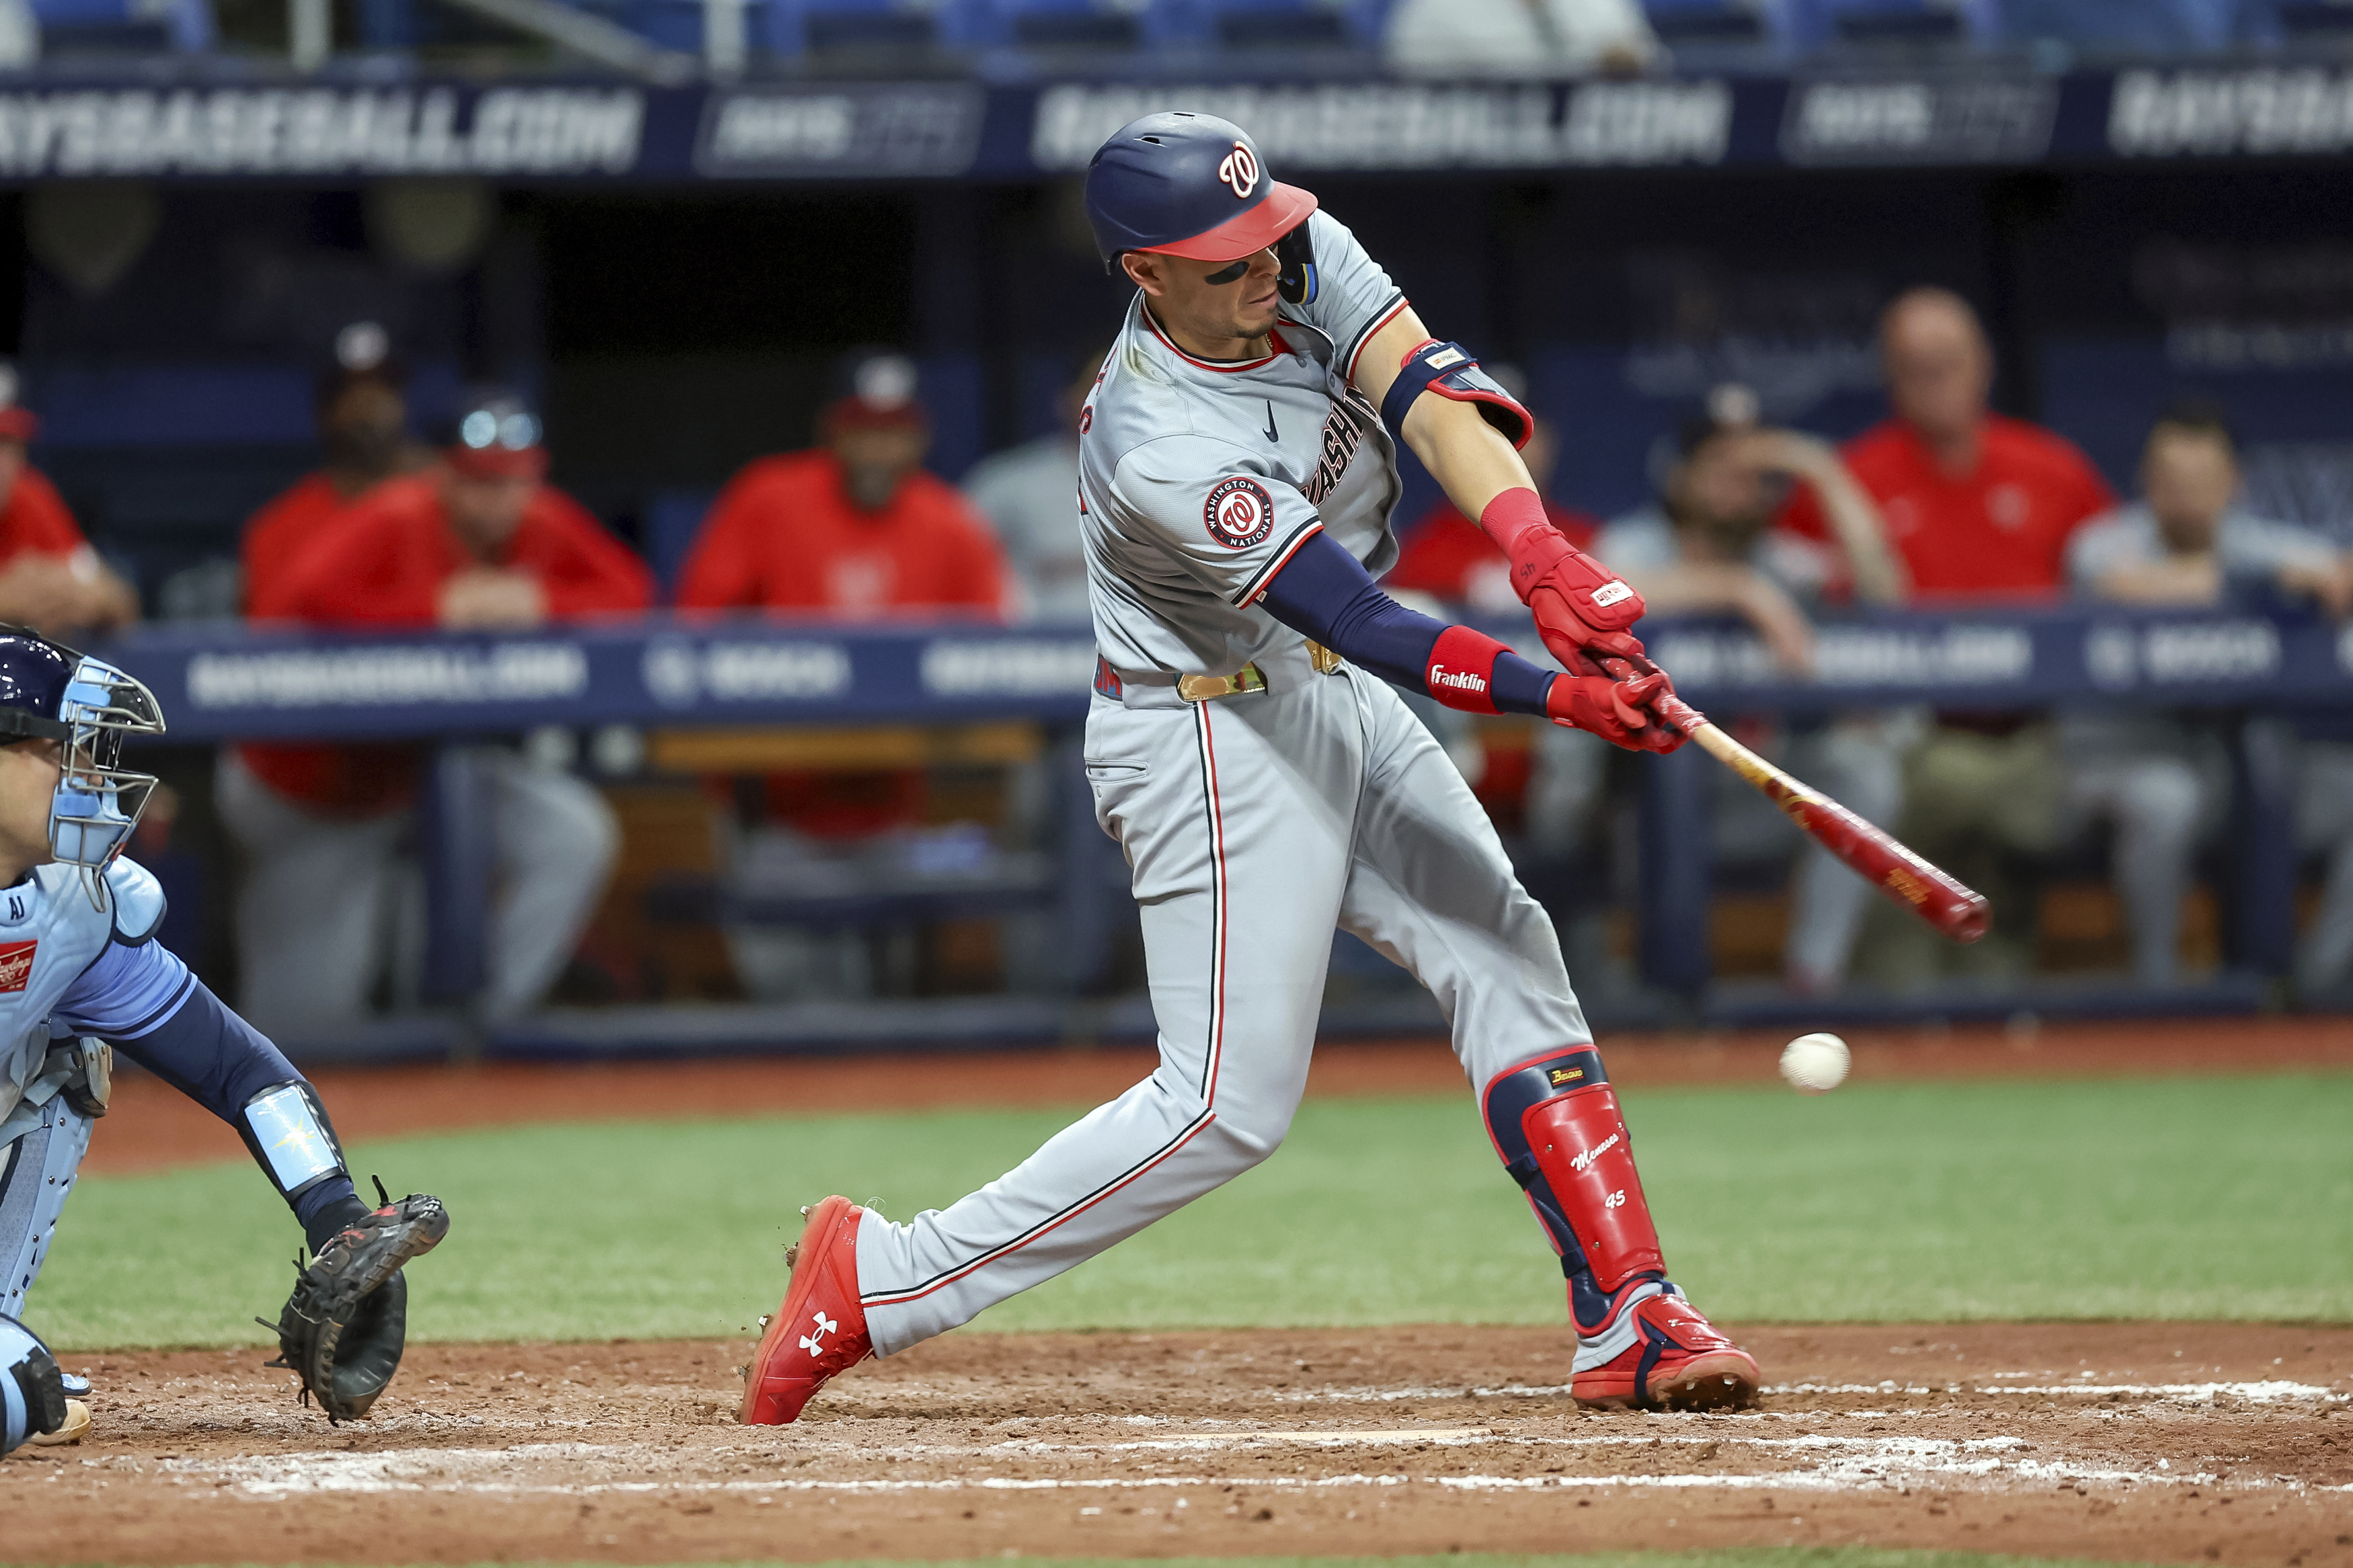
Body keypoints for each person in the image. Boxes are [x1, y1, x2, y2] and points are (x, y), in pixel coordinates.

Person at [741, 112, 1758, 1428]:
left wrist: (1537, 549)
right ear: (1142, 274)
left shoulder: (1288, 246)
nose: (1263, 271)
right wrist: (1555, 689)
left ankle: (1629, 1310)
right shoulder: (1155, 440)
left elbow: (1426, 390)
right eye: (1221, 261)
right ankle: (883, 1276)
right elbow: (1365, 619)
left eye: (1266, 237)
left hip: (1319, 687)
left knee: (1503, 948)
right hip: (1207, 727)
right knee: (1224, 1104)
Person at [0, 628, 446, 1456]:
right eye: (58, 748)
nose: (88, 775)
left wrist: (335, 1216)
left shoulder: (78, 908)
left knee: (67, 1058)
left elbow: (239, 1069)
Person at [214, 389, 651, 1034]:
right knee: (305, 1027)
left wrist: (539, 600)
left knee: (572, 832)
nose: (497, 500)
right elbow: (296, 605)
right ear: (443, 474)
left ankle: (484, 1027)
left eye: (512, 482)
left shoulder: (540, 519)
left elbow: (632, 590)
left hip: (420, 779)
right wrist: (435, 608)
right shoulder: (397, 514)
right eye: (478, 483)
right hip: (313, 791)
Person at [1783, 288, 2117, 983]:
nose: (1933, 379)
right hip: (1909, 738)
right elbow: (1798, 600)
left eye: (1947, 361)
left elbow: (2113, 584)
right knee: (1902, 974)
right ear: (1889, 376)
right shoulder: (1850, 480)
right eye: (1913, 365)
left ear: (1982, 364)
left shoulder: (2051, 468)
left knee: (1998, 968)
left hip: (2034, 743)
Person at [1537, 391, 1905, 993]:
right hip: (1633, 811)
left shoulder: (1785, 563)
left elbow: (1885, 594)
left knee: (1862, 771)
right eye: (1721, 469)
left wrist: (1819, 468)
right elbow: (1594, 592)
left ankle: (1812, 980)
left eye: (1753, 472)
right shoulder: (1634, 544)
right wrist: (1737, 589)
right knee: (1664, 774)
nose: (1740, 486)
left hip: (1751, 798)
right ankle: (1653, 996)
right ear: (1680, 479)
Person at [2067, 403, 2353, 987]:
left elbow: (2338, 572)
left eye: (2204, 481)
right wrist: (2262, 583)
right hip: (2119, 759)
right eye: (2171, 480)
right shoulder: (2103, 542)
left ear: (2234, 484)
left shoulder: (2256, 541)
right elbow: (2124, 585)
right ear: (2146, 480)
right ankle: (2161, 988)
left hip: (2230, 766)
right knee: (2165, 798)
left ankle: (2315, 981)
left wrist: (2323, 574)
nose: (2187, 497)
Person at [678, 353, 1012, 620]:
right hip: (789, 699)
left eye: (895, 432)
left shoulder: (952, 522)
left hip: (905, 703)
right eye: (860, 428)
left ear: (922, 440)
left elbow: (984, 656)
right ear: (829, 432)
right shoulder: (768, 496)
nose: (877, 450)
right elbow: (700, 620)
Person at [242, 323, 431, 617]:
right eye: (351, 390)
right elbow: (272, 642)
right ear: (322, 411)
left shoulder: (452, 513)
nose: (371, 404)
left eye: (384, 386)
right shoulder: (277, 529)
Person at [963, 348, 1103, 624]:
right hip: (1033, 654)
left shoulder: (1185, 486)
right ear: (1066, 399)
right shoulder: (1006, 484)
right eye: (1099, 388)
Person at [0, 364, 138, 641]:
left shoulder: (30, 495)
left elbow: (123, 604)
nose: (3, 463)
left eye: (9, 444)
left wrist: (79, 597)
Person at [1384, 0, 1658, 77]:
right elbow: (1405, 76)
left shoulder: (1599, 5)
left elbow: (1657, 63)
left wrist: (1627, 63)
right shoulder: (1437, 7)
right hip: (1467, 171)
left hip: (1592, 168)